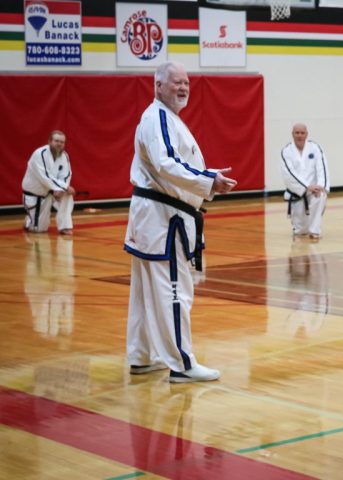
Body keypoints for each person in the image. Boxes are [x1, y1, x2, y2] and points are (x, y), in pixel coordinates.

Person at [124, 61, 237, 383]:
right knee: (173, 290)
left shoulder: (166, 118)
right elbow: (166, 164)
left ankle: (142, 355)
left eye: (186, 82)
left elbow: (170, 164)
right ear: (158, 86)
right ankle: (182, 364)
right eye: (176, 82)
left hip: (155, 217)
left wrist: (207, 177)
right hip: (163, 219)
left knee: (146, 291)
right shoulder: (158, 117)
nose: (183, 88)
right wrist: (207, 180)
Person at [280, 123, 330, 239]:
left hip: (314, 191)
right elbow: (289, 174)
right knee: (301, 232)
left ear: (307, 134)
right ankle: (301, 227)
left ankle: (315, 231)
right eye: (297, 133)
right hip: (297, 191)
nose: (299, 135)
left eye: (302, 133)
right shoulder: (286, 151)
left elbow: (322, 168)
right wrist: (307, 186)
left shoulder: (315, 148)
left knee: (321, 195)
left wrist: (320, 186)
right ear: (292, 134)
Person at [21, 130, 76, 235]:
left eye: (62, 142)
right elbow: (45, 177)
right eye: (56, 141)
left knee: (67, 195)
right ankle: (29, 220)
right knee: (39, 230)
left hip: (50, 191)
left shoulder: (64, 155)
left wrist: (61, 189)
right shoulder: (39, 154)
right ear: (49, 141)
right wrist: (63, 187)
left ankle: (65, 226)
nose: (59, 144)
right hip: (35, 195)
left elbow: (66, 175)